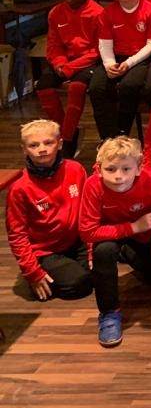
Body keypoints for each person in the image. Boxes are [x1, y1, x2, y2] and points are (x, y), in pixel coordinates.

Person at [79, 136, 151, 347]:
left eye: (126, 169)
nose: (118, 176)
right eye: (110, 169)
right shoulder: (93, 186)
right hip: (112, 235)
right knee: (104, 251)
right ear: (99, 169)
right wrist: (133, 227)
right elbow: (88, 232)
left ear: (138, 168)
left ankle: (127, 253)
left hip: (143, 235)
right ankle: (109, 312)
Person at [5, 120, 92, 302]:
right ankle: (41, 276)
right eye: (34, 145)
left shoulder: (76, 170)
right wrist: (32, 272)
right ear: (24, 149)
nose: (42, 149)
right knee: (78, 285)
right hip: (45, 250)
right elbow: (17, 235)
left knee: (102, 270)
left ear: (59, 144)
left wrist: (91, 247)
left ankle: (61, 274)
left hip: (76, 241)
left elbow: (89, 211)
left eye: (48, 143)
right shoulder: (19, 188)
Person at [37, 0, 101, 158]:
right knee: (43, 86)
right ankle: (64, 134)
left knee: (76, 87)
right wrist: (59, 63)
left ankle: (68, 140)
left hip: (88, 63)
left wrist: (70, 68)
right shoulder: (55, 13)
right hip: (64, 62)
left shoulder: (97, 13)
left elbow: (97, 50)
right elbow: (53, 45)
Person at [90, 0, 151, 139]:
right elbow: (105, 43)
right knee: (97, 87)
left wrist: (128, 63)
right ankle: (107, 138)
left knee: (130, 85)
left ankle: (122, 134)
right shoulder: (107, 13)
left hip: (140, 58)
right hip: (115, 57)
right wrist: (109, 65)